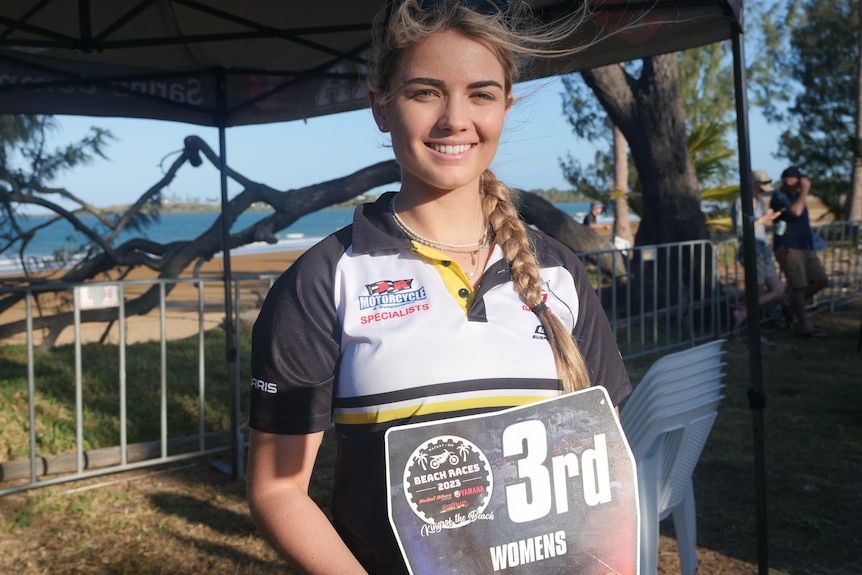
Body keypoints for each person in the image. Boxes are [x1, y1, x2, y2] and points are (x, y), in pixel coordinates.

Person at [245, 2, 633, 574]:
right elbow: (277, 490)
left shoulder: (559, 272)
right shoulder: (325, 280)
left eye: (480, 94)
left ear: (505, 106)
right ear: (380, 106)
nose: (455, 118)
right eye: (425, 91)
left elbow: (606, 474)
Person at [769, 165, 829, 337]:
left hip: (805, 246)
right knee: (799, 287)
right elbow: (795, 212)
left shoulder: (796, 196)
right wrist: (804, 192)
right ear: (789, 180)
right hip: (789, 246)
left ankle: (791, 309)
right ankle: (804, 326)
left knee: (820, 280)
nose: (803, 183)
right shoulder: (779, 196)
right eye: (799, 180)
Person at [731, 170, 786, 345]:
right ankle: (754, 333)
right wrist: (764, 219)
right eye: (761, 187)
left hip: (762, 248)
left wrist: (773, 226)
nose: (763, 191)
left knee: (778, 289)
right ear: (752, 183)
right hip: (751, 249)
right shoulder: (741, 202)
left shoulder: (760, 201)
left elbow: (757, 226)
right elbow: (742, 230)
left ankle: (743, 314)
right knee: (757, 291)